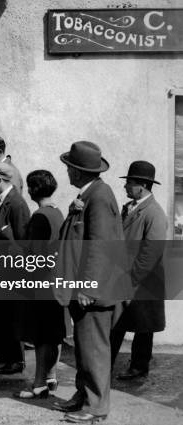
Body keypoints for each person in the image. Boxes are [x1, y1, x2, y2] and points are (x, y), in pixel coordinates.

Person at [53, 141, 125, 423]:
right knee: (84, 348)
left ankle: (96, 408)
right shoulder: (90, 193)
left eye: (69, 167)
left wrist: (88, 287)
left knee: (94, 350)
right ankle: (83, 396)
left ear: (78, 171)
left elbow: (101, 246)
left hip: (93, 292)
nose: (67, 172)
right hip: (80, 289)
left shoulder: (99, 196)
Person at [110, 161, 167, 380]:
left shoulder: (154, 213)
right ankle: (106, 365)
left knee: (143, 327)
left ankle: (139, 367)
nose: (125, 187)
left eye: (130, 183)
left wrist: (131, 279)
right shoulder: (131, 208)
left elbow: (150, 253)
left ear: (142, 185)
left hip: (143, 281)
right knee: (117, 324)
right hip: (127, 277)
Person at [14, 170, 65, 399]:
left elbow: (33, 255)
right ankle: (51, 377)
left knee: (41, 336)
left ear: (34, 190)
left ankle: (38, 384)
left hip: (40, 283)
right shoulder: (57, 213)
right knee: (52, 334)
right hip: (55, 280)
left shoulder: (39, 216)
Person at [0, 162, 30, 375]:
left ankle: (16, 360)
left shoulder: (16, 203)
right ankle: (3, 352)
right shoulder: (2, 200)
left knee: (11, 316)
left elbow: (22, 241)